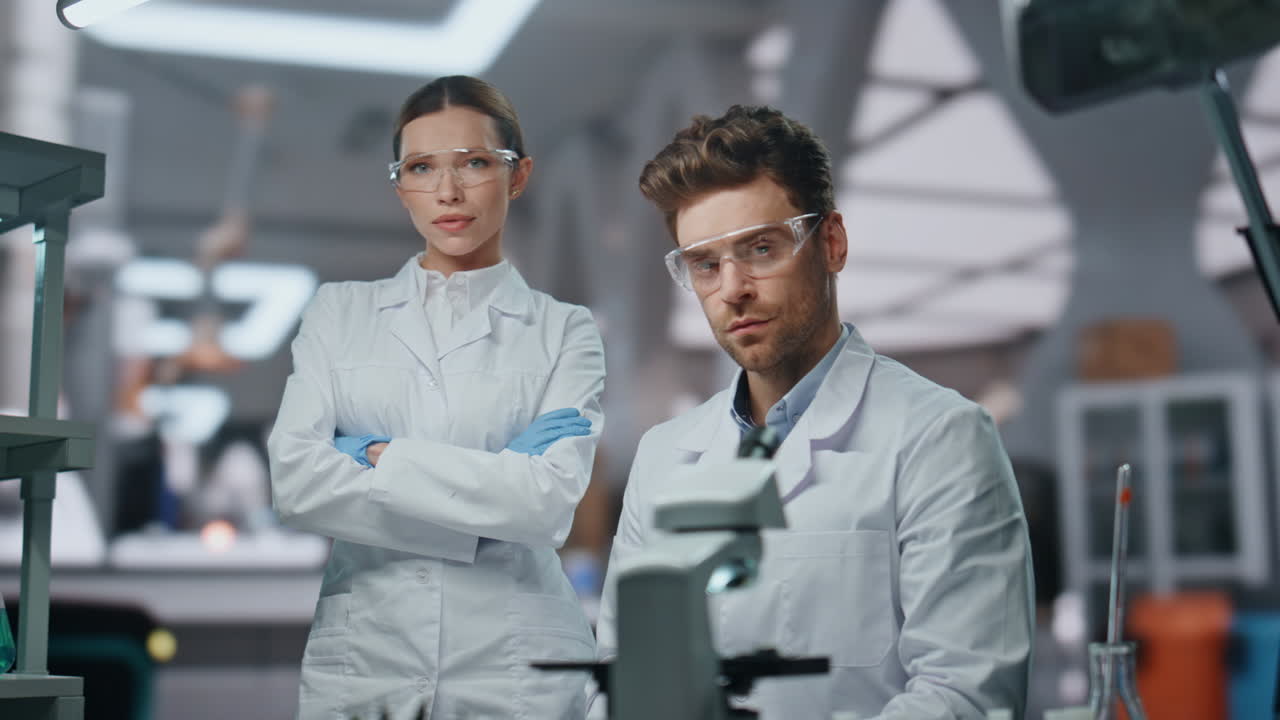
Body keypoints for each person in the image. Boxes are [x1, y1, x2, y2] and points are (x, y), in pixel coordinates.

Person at [592, 105, 1034, 719]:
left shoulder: (941, 439)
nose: (733, 288)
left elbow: (966, 694)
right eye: (705, 263)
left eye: (761, 247)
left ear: (830, 242)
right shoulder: (664, 458)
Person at [268, 75, 604, 720]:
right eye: (422, 167)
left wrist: (371, 453)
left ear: (519, 175)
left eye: (475, 163)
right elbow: (296, 483)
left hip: (514, 661)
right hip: (367, 657)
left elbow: (543, 508)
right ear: (401, 186)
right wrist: (490, 495)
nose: (447, 192)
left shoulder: (565, 330)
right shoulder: (340, 312)